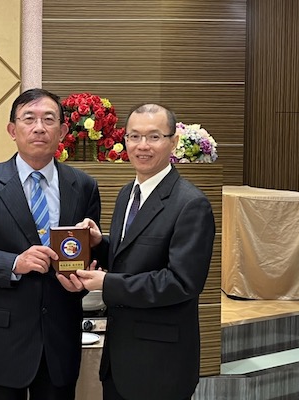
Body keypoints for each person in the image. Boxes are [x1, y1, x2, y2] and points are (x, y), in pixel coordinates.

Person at [0, 88, 101, 400]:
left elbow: (87, 255)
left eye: (49, 119)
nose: (39, 127)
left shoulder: (83, 185)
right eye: (29, 119)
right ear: (13, 130)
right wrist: (15, 263)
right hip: (1, 341)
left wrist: (84, 278)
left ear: (63, 131)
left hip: (60, 341)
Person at [74, 103, 215, 400]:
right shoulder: (127, 193)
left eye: (154, 137)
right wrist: (100, 243)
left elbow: (182, 283)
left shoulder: (191, 204)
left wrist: (106, 283)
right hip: (119, 358)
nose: (142, 146)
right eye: (134, 136)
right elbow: (131, 256)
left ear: (173, 142)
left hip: (160, 363)